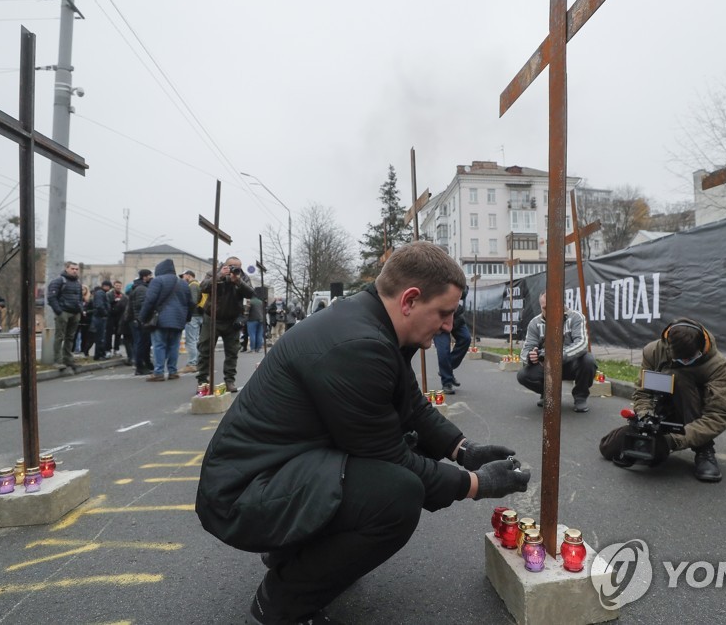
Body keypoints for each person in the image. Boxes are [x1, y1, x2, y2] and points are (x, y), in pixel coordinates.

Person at [195, 241, 529, 625]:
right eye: (445, 313)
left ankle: (296, 555)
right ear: (410, 300)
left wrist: (463, 449)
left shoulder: (370, 321)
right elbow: (391, 458)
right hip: (244, 495)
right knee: (396, 495)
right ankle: (282, 602)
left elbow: (411, 404)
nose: (449, 326)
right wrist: (475, 483)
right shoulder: (358, 346)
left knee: (397, 465)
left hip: (274, 473)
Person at [598, 319, 726, 482]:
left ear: (701, 348)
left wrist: (674, 440)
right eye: (680, 360)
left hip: (693, 411)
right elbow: (643, 393)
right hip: (661, 411)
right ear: (668, 346)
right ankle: (650, 439)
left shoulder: (717, 365)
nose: (685, 362)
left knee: (681, 378)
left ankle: (704, 449)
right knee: (609, 448)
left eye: (691, 358)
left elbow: (718, 415)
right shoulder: (653, 351)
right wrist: (645, 419)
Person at [517, 292, 596, 413]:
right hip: (546, 366)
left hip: (570, 363)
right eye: (544, 308)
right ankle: (548, 394)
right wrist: (530, 356)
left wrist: (557, 356)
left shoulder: (576, 317)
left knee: (588, 360)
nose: (548, 311)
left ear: (561, 304)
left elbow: (582, 344)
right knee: (523, 375)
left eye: (551, 307)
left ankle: (580, 397)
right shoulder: (534, 323)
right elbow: (525, 351)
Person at [195, 256, 254, 393]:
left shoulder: (242, 277)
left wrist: (238, 281)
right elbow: (203, 287)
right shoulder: (214, 273)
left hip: (231, 321)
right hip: (212, 319)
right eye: (231, 266)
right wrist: (220, 276)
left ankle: (229, 380)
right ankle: (203, 382)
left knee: (232, 352)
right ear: (225, 266)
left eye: (237, 267)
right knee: (205, 351)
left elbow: (250, 293)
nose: (234, 269)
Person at [138, 258, 192, 382]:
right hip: (178, 320)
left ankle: (159, 372)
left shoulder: (158, 281)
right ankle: (173, 371)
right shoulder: (183, 283)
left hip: (160, 320)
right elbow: (190, 303)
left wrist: (142, 317)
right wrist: (186, 318)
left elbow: (150, 300)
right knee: (174, 346)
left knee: (159, 345)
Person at [46, 261, 83, 371]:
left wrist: (80, 309)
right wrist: (59, 311)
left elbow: (80, 298)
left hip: (75, 313)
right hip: (63, 312)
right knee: (59, 336)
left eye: (76, 269)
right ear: (66, 268)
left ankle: (68, 359)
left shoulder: (77, 283)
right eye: (72, 268)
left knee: (70, 337)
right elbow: (51, 297)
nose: (75, 271)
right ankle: (58, 360)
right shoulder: (58, 281)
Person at [433, 285, 471, 394]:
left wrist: (457, 288)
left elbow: (464, 293)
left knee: (466, 338)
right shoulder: (433, 275)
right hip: (439, 318)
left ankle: (447, 370)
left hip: (456, 317)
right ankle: (447, 382)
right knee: (443, 350)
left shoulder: (454, 272)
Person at [128, 269, 154, 376]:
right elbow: (142, 305)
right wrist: (143, 319)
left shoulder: (141, 287)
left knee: (145, 344)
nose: (151, 277)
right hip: (141, 321)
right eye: (150, 276)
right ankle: (140, 366)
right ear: (145, 277)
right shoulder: (141, 289)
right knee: (142, 344)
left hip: (140, 320)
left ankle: (146, 363)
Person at [181, 270, 201, 371]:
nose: (183, 278)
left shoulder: (192, 285)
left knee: (191, 340)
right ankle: (197, 361)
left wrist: (187, 313)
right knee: (195, 339)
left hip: (193, 316)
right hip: (198, 315)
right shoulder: (197, 284)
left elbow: (193, 301)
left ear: (188, 275)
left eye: (183, 276)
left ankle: (193, 363)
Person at [90, 281, 112, 360]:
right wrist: (105, 313)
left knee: (100, 337)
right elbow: (100, 305)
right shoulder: (101, 293)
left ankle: (100, 354)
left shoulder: (100, 293)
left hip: (100, 317)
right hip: (100, 317)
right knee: (100, 337)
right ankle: (99, 355)